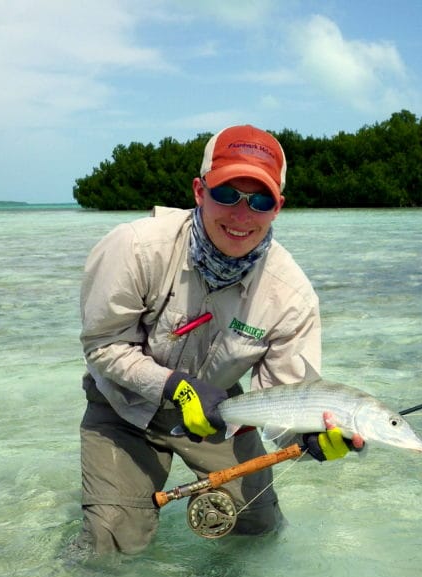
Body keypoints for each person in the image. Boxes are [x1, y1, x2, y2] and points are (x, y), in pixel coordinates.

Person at [75, 124, 358, 555]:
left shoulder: (291, 296)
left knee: (262, 532)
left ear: (278, 207)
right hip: (123, 407)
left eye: (259, 201)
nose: (242, 215)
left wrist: (309, 439)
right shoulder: (132, 248)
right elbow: (103, 346)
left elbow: (283, 401)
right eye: (227, 194)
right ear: (199, 191)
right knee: (109, 544)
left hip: (219, 415)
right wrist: (175, 386)